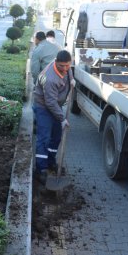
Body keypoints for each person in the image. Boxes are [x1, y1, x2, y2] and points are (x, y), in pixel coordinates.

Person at [32, 50, 74, 183]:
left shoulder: (66, 68)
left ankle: (50, 161)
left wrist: (72, 80)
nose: (65, 68)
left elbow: (69, 71)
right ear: (56, 62)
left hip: (56, 105)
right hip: (43, 107)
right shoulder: (50, 78)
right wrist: (62, 118)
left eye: (68, 65)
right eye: (62, 66)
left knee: (56, 136)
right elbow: (50, 103)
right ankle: (41, 169)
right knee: (44, 138)